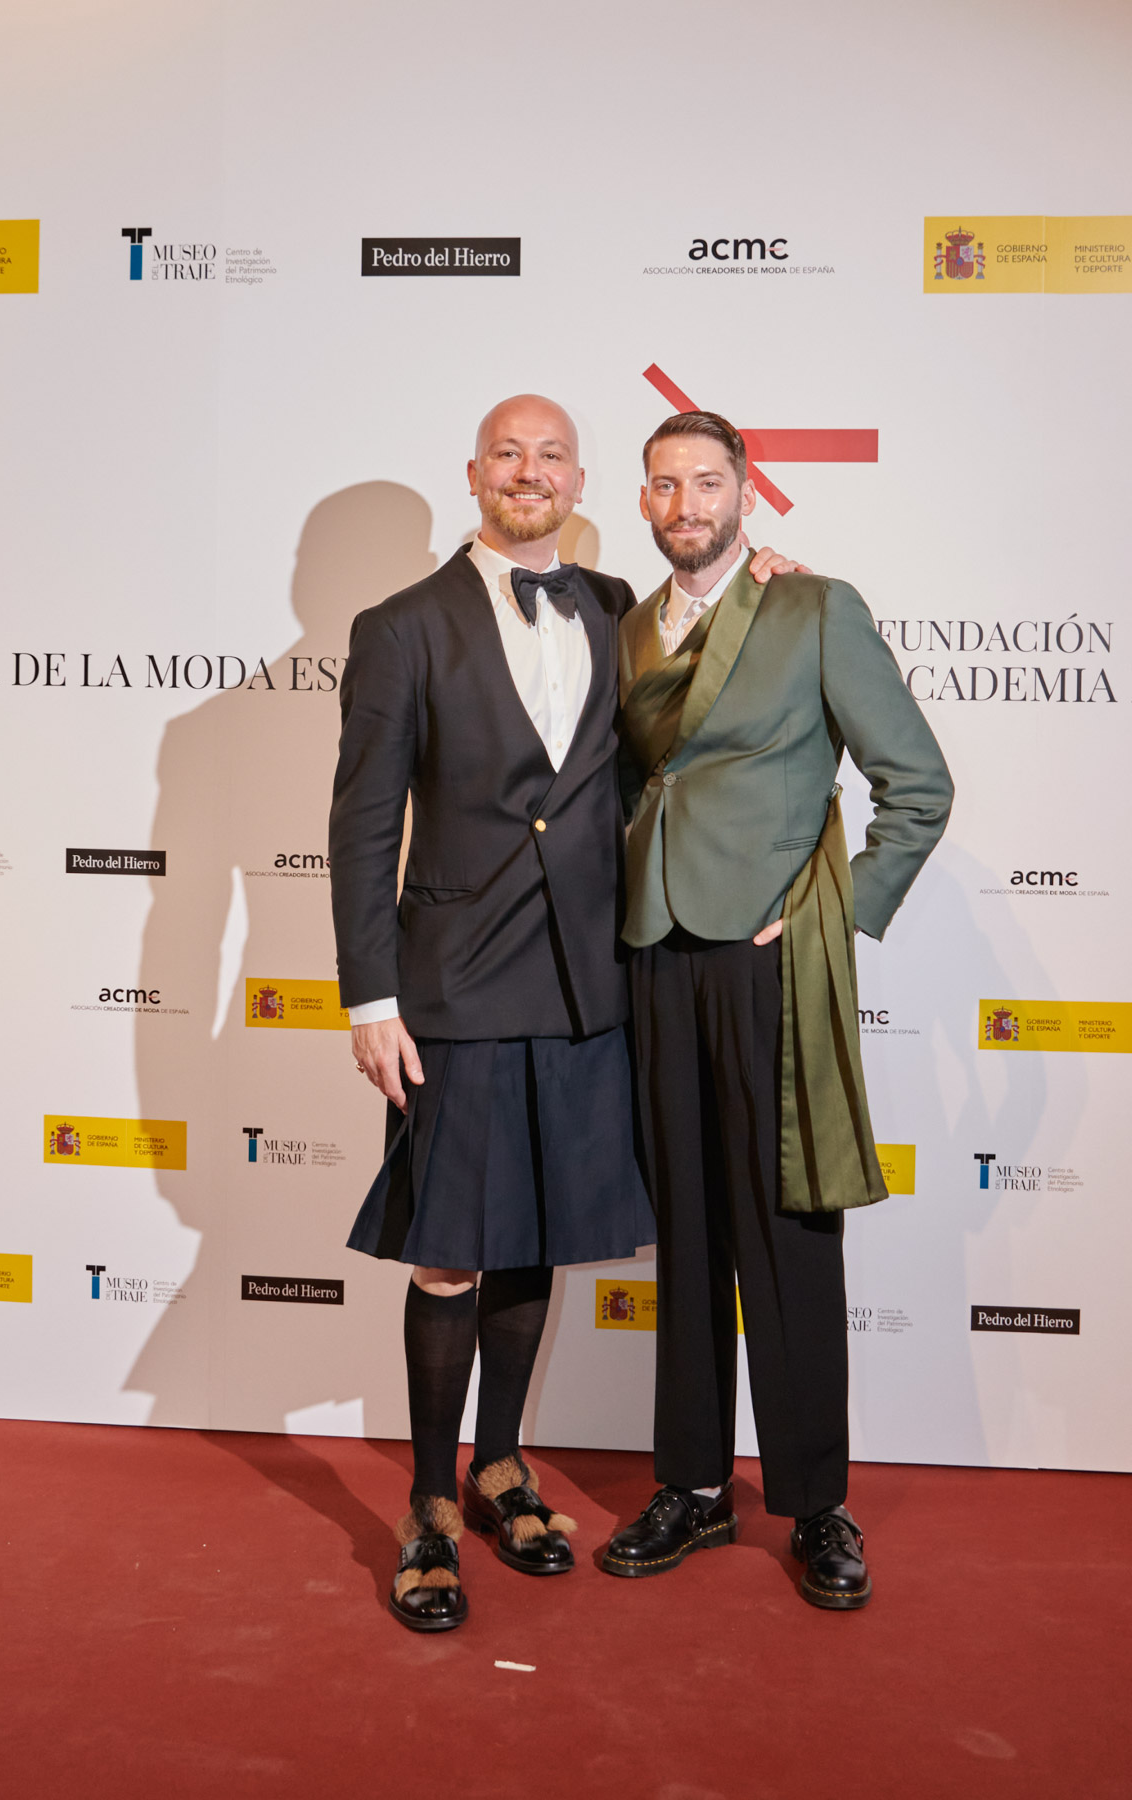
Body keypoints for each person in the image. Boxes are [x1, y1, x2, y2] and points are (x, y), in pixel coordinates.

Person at [328, 395, 798, 1632]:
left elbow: (721, 682)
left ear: (581, 482)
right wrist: (371, 997)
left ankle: (500, 1466)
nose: (528, 471)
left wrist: (776, 587)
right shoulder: (399, 626)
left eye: (550, 455)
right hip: (454, 986)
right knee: (450, 1250)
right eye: (507, 453)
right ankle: (431, 1506)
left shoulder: (615, 608)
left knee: (531, 1235)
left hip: (591, 983)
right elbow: (363, 824)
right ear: (473, 472)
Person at [603, 410, 953, 1609]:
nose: (686, 505)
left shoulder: (814, 608)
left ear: (746, 492)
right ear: (643, 501)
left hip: (769, 961)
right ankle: (694, 1485)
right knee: (689, 1229)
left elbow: (919, 783)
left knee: (790, 1230)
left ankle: (815, 1504)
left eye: (707, 482)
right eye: (665, 485)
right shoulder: (630, 629)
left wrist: (832, 917)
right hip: (656, 954)